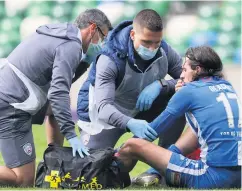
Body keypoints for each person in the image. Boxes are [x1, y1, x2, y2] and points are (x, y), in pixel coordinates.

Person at [0, 9, 111, 187]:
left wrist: (85, 62)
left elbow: (62, 84)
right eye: (102, 36)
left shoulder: (61, 32)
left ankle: (54, 159)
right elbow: (58, 92)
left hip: (12, 93)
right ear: (92, 28)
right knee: (22, 180)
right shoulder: (71, 46)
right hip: (12, 104)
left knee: (60, 105)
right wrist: (71, 135)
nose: (103, 43)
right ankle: (52, 158)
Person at [77, 9, 186, 185]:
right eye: (146, 42)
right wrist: (130, 123)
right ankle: (130, 150)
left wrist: (161, 85)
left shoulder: (164, 49)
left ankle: (164, 168)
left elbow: (187, 80)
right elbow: (103, 108)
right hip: (103, 114)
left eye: (156, 43)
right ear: (133, 34)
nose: (152, 48)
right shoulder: (109, 58)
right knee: (95, 173)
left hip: (142, 108)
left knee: (180, 100)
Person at [115, 46, 242, 189]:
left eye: (184, 69)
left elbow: (153, 131)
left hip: (209, 175)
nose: (181, 75)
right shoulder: (226, 85)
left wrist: (120, 150)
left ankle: (111, 173)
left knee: (133, 144)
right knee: (193, 131)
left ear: (198, 70)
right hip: (239, 176)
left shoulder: (188, 91)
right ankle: (152, 173)